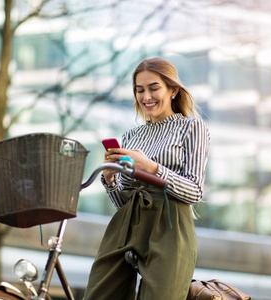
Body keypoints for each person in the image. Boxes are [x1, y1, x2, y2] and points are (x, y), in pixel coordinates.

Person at [83, 57, 210, 300]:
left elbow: (194, 191)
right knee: (98, 293)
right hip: (127, 224)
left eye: (154, 88)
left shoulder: (192, 127)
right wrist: (110, 180)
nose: (146, 97)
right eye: (140, 90)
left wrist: (151, 168)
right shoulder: (131, 136)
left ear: (173, 90)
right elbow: (124, 203)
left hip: (170, 226)